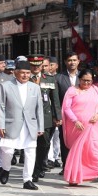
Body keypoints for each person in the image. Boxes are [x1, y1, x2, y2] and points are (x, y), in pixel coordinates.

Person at [0, 60, 44, 190]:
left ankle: (27, 179)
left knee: (30, 152)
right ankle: (5, 169)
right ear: (15, 73)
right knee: (7, 150)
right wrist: (1, 125)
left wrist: (40, 127)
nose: (25, 75)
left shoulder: (35, 87)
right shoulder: (5, 86)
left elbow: (39, 109)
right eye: (22, 73)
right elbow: (1, 106)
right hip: (11, 124)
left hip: (30, 124)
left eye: (28, 73)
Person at [63, 68, 98, 186]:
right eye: (84, 80)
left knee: (97, 150)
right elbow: (66, 108)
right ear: (79, 79)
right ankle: (74, 177)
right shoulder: (72, 90)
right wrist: (75, 121)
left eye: (89, 81)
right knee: (79, 152)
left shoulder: (95, 90)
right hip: (77, 128)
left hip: (93, 127)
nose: (87, 83)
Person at [28, 54, 61, 182]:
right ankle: (32, 170)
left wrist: (57, 116)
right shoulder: (24, 78)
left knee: (44, 144)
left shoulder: (49, 79)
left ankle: (39, 167)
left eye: (38, 65)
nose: (35, 68)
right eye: (32, 65)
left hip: (46, 117)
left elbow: (55, 99)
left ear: (42, 65)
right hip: (29, 117)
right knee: (31, 146)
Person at [55, 52, 80, 175]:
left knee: (80, 141)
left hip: (81, 115)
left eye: (74, 60)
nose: (72, 62)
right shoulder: (59, 78)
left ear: (78, 61)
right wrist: (58, 115)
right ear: (65, 62)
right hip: (65, 116)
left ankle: (79, 165)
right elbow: (56, 99)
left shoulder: (84, 76)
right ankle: (66, 166)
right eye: (69, 60)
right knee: (65, 141)